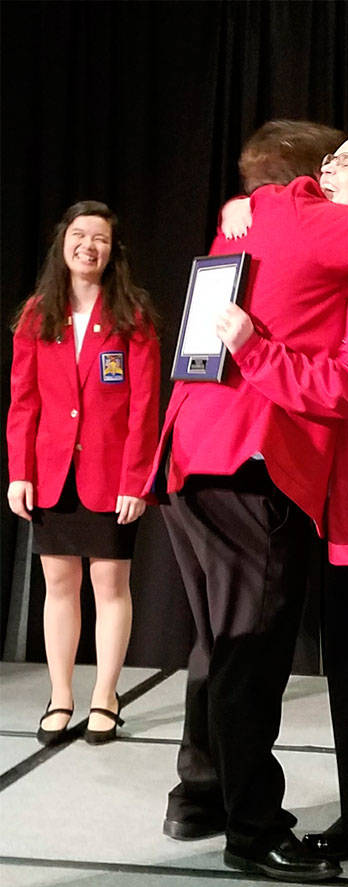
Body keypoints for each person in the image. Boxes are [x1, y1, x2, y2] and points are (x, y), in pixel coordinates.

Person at [146, 119, 348, 883]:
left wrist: (254, 339)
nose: (328, 174)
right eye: (323, 163)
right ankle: (304, 817)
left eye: (346, 163)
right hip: (314, 486)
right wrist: (256, 206)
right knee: (294, 656)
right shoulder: (309, 232)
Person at [7, 200, 160, 746]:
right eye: (79, 235)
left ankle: (105, 697)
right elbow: (23, 401)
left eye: (99, 238)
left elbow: (145, 406)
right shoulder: (37, 314)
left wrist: (136, 480)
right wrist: (19, 472)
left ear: (112, 251)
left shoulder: (132, 315)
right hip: (52, 474)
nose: (88, 246)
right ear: (63, 242)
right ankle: (61, 696)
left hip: (111, 477)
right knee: (59, 586)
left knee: (110, 586)